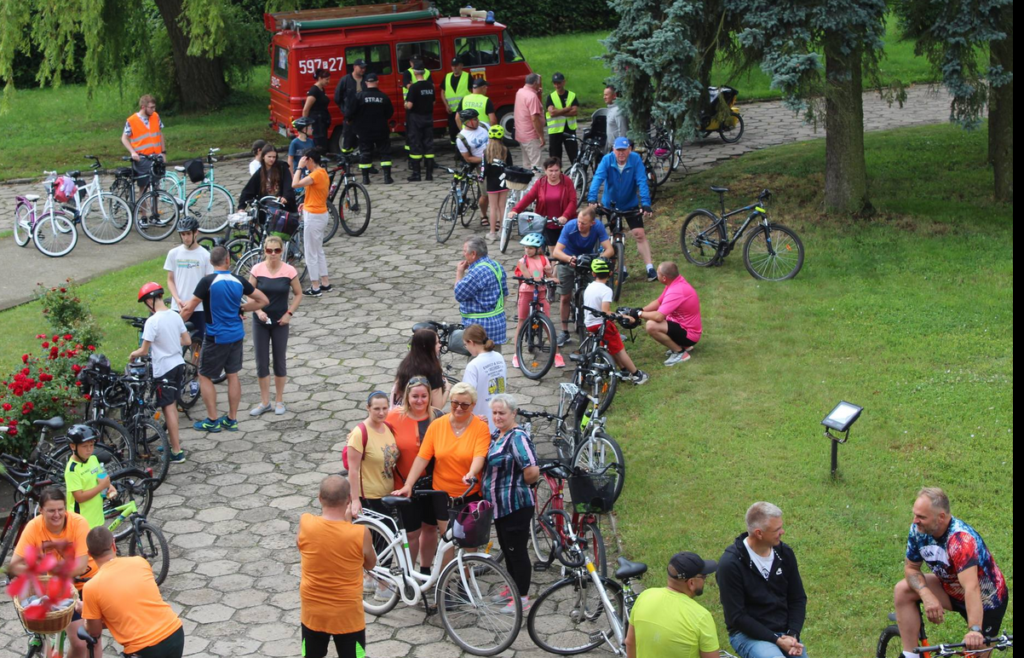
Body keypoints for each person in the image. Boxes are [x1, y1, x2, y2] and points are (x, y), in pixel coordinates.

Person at [894, 487, 1009, 657]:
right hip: (951, 589)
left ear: (941, 517)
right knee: (903, 590)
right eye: (915, 515)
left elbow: (972, 587)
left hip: (985, 602)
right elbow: (911, 568)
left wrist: (975, 630)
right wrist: (926, 595)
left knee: (975, 651)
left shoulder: (961, 540)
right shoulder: (918, 530)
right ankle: (911, 654)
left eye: (921, 517)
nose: (915, 521)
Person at [392, 382, 490, 567]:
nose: (459, 408)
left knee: (469, 543)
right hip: (442, 493)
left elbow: (479, 455)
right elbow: (422, 457)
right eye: (455, 403)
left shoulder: (480, 428)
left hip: (469, 492)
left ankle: (465, 582)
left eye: (464, 405)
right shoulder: (437, 425)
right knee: (447, 541)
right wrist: (409, 484)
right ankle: (448, 581)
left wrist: (471, 472)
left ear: (473, 406)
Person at [180, 246, 269, 433]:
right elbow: (263, 301)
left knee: (204, 375)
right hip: (236, 335)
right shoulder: (239, 281)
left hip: (216, 336)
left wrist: (175, 324)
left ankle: (212, 420)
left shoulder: (207, 282)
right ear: (228, 260)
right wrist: (242, 309)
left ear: (211, 262)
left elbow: (189, 309)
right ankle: (232, 419)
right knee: (232, 375)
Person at [10, 487, 99, 658]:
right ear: (41, 510)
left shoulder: (79, 523)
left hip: (82, 584)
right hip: (54, 589)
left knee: (82, 643)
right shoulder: (34, 527)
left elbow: (80, 566)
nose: (57, 514)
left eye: (60, 509)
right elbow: (15, 564)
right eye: (51, 510)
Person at [297, 475, 376, 658]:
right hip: (347, 616)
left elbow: (300, 545)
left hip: (313, 612)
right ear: (348, 499)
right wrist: (348, 523)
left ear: (319, 497)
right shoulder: (359, 533)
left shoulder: (306, 522)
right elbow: (371, 564)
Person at [718, 502, 808, 658]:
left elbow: (798, 598)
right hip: (746, 634)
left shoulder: (785, 554)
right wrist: (777, 640)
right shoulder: (731, 564)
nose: (783, 532)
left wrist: (792, 635)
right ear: (759, 533)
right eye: (777, 530)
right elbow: (737, 616)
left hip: (784, 631)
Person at [82, 526, 184, 658]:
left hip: (144, 649)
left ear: (89, 554)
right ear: (113, 544)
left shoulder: (91, 587)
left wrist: (86, 616)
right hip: (174, 633)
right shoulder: (140, 562)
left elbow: (94, 632)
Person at [483, 394, 539, 613]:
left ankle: (522, 598)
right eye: (494, 413)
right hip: (500, 507)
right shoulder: (497, 434)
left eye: (502, 413)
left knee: (517, 551)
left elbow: (532, 471)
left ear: (514, 414)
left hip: (515, 506)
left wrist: (514, 484)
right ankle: (512, 588)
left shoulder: (517, 437)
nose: (497, 417)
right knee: (508, 549)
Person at [386, 378, 443, 576]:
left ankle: (426, 571)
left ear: (429, 396)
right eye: (415, 396)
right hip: (404, 484)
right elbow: (374, 430)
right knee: (411, 533)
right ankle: (407, 573)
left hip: (432, 485)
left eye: (424, 396)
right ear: (407, 397)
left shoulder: (437, 417)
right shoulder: (394, 417)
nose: (420, 400)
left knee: (430, 528)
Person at [129, 282, 190, 461]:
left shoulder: (152, 321)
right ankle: (173, 442)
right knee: (173, 405)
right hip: (179, 364)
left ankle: (177, 451)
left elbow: (144, 350)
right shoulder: (175, 315)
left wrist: (133, 354)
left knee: (168, 408)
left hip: (165, 369)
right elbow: (186, 340)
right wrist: (171, 342)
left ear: (150, 300)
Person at [625, 551, 720, 658]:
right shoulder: (701, 617)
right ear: (691, 583)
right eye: (704, 577)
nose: (705, 581)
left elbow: (630, 642)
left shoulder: (645, 596)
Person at [248, 235, 303, 416]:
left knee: (279, 361)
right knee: (261, 362)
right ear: (264, 251)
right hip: (261, 322)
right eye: (269, 250)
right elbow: (249, 294)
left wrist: (289, 314)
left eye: (277, 250)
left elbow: (298, 294)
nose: (273, 254)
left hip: (280, 322)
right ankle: (265, 401)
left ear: (282, 251)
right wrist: (258, 311)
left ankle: (279, 400)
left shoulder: (289, 270)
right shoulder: (257, 269)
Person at [588, 136, 656, 281]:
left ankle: (650, 268)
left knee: (639, 233)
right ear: (613, 150)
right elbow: (597, 178)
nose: (621, 154)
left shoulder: (635, 159)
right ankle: (622, 269)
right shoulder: (607, 160)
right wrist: (592, 198)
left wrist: (645, 203)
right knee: (615, 235)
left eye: (624, 150)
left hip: (630, 204)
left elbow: (642, 181)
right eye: (618, 151)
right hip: (610, 205)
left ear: (630, 150)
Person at [551, 205, 613, 346]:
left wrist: (597, 260)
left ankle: (598, 326)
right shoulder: (570, 226)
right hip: (568, 259)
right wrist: (569, 259)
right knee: (565, 296)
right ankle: (564, 331)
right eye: (578, 221)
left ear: (592, 223)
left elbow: (609, 249)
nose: (579, 225)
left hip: (588, 261)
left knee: (592, 293)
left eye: (583, 223)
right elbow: (556, 252)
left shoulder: (598, 227)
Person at [583, 258, 649, 385]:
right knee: (619, 349)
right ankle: (637, 375)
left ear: (593, 273)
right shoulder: (606, 290)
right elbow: (606, 311)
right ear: (611, 273)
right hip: (602, 325)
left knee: (610, 347)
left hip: (590, 325)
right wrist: (624, 317)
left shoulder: (589, 287)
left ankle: (623, 371)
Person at [630, 261, 702, 367]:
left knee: (651, 325)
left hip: (689, 334)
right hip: (683, 327)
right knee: (650, 316)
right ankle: (684, 346)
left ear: (664, 278)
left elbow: (659, 317)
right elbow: (658, 302)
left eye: (658, 273)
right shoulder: (675, 282)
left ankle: (680, 353)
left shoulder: (676, 290)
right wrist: (640, 310)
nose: (656, 274)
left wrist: (639, 314)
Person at [512, 233, 564, 369]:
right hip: (526, 292)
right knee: (521, 321)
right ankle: (516, 354)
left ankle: (557, 354)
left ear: (538, 248)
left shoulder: (543, 259)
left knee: (547, 323)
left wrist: (550, 274)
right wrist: (529, 272)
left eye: (530, 248)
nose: (527, 250)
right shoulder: (522, 261)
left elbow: (547, 275)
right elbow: (531, 277)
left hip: (540, 292)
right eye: (525, 248)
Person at [509, 156, 578, 250]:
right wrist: (515, 210)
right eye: (551, 170)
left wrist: (565, 216)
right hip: (547, 223)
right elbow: (529, 197)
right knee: (553, 252)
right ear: (545, 171)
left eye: (556, 170)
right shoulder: (540, 183)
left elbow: (573, 201)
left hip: (565, 223)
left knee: (567, 250)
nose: (554, 173)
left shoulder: (567, 182)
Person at [164, 216, 213, 342]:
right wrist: (177, 299)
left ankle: (195, 362)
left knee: (197, 343)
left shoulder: (205, 256)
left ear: (196, 232)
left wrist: (192, 301)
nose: (185, 238)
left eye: (188, 234)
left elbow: (208, 284)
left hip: (198, 307)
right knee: (175, 341)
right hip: (177, 306)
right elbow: (170, 280)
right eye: (183, 234)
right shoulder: (173, 253)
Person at [455, 235, 509, 348]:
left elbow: (459, 294)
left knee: (476, 363)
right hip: (497, 326)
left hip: (479, 330)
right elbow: (504, 294)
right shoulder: (497, 266)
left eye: (465, 251)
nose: (463, 254)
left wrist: (459, 273)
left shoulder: (476, 273)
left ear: (473, 254)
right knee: (494, 361)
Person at [292, 150, 331, 297]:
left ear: (309, 160)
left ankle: (315, 286)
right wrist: (306, 203)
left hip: (314, 216)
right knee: (318, 249)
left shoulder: (314, 175)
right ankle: (325, 282)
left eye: (305, 161)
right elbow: (318, 194)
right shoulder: (323, 172)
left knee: (310, 252)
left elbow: (295, 184)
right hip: (320, 212)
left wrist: (299, 167)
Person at [64, 424, 117, 529]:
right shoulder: (72, 470)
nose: (89, 449)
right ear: (73, 446)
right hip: (81, 523)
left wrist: (109, 486)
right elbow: (79, 497)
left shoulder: (92, 459)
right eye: (84, 446)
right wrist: (101, 487)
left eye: (91, 445)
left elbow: (101, 475)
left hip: (96, 517)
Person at [349, 72, 395, 185]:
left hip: (364, 131)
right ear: (377, 82)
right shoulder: (384, 97)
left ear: (366, 83)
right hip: (381, 129)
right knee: (385, 153)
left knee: (365, 152)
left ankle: (365, 179)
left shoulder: (359, 97)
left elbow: (350, 112)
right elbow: (390, 113)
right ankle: (387, 178)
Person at [461, 325, 507, 432]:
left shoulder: (473, 365)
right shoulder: (499, 357)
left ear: (471, 342)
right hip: (500, 417)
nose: (466, 348)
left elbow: (466, 396)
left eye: (465, 344)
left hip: (481, 421)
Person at [393, 328, 449, 409]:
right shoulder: (433, 371)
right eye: (436, 343)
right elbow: (437, 407)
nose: (440, 345)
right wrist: (447, 389)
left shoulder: (405, 365)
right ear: (428, 347)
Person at [121, 94, 165, 195]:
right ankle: (143, 211)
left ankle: (154, 210)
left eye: (154, 107)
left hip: (156, 156)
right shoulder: (132, 120)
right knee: (143, 186)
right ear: (143, 107)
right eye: (151, 107)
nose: (153, 110)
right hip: (142, 158)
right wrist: (132, 152)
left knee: (156, 186)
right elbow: (124, 138)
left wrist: (163, 152)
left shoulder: (156, 116)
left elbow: (160, 134)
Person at [404, 60, 438, 182]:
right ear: (424, 72)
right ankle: (429, 175)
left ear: (414, 72)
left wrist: (406, 105)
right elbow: (433, 102)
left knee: (415, 145)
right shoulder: (430, 86)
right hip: (428, 117)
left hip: (416, 119)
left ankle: (416, 174)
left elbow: (410, 105)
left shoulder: (413, 87)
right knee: (428, 144)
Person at [240, 143, 297, 214]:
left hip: (282, 205)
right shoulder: (260, 172)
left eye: (274, 157)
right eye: (269, 157)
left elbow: (288, 184)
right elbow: (248, 189)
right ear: (263, 156)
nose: (272, 159)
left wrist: (286, 196)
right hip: (266, 205)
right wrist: (241, 207)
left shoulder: (282, 167)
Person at [455, 108, 490, 223]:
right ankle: (481, 214)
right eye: (474, 119)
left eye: (477, 118)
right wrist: (484, 160)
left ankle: (489, 216)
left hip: (493, 161)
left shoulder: (484, 126)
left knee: (493, 192)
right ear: (467, 122)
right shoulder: (462, 138)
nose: (477, 121)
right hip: (479, 163)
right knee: (485, 193)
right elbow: (468, 158)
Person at [482, 124, 513, 240]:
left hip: (492, 183)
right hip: (504, 182)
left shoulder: (486, 151)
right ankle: (501, 230)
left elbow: (484, 169)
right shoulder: (505, 150)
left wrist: (481, 178)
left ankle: (492, 232)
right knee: (502, 207)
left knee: (493, 207)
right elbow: (510, 166)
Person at [334, 58, 368, 157]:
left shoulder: (366, 79)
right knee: (348, 139)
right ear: (354, 67)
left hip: (364, 115)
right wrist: (345, 110)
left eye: (364, 68)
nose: (363, 70)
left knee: (364, 138)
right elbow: (337, 97)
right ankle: (345, 159)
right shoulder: (345, 80)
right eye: (361, 68)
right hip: (350, 117)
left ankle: (364, 157)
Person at [514, 73, 545, 172]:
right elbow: (535, 118)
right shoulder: (532, 97)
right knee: (537, 166)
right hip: (531, 135)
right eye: (538, 84)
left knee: (527, 164)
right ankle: (536, 186)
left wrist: (536, 92)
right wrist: (541, 136)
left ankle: (527, 186)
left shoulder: (520, 92)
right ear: (535, 83)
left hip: (521, 134)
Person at [546, 72, 579, 166]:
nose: (557, 85)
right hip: (555, 131)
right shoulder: (551, 97)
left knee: (574, 155)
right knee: (555, 157)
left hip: (569, 129)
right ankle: (556, 175)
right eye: (555, 83)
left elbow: (575, 112)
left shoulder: (571, 95)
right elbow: (552, 113)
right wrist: (567, 109)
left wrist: (558, 112)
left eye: (559, 83)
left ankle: (578, 176)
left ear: (564, 82)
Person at [302, 68, 333, 151]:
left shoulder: (322, 89)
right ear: (320, 78)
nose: (328, 81)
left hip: (322, 120)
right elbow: (306, 109)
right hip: (316, 121)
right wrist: (306, 124)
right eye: (327, 79)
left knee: (323, 141)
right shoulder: (314, 91)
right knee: (318, 141)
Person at [443, 58, 470, 146]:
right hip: (452, 110)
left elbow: (472, 92)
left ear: (461, 66)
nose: (454, 68)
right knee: (453, 131)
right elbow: (442, 92)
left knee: (465, 130)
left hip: (464, 110)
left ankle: (465, 147)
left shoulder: (467, 76)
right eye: (453, 66)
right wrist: (446, 105)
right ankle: (455, 148)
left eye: (457, 65)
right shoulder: (447, 77)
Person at [604, 86, 629, 153]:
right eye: (604, 95)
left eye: (606, 95)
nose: (604, 97)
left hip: (618, 149)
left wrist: (621, 149)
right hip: (612, 147)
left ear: (614, 96)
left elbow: (623, 131)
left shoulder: (618, 111)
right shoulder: (610, 109)